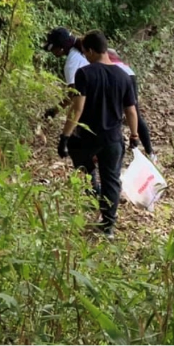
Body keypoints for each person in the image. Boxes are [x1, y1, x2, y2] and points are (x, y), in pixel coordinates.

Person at [57, 30, 139, 238]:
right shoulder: (123, 76)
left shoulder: (85, 73)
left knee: (84, 166)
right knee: (111, 179)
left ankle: (93, 193)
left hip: (87, 138)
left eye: (86, 53)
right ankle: (108, 226)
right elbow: (131, 110)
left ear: (92, 51)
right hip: (113, 139)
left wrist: (65, 136)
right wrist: (135, 136)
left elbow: (77, 108)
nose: (85, 57)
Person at [43, 27, 156, 161]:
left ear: (61, 48)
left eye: (53, 49)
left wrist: (56, 110)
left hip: (118, 77)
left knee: (131, 112)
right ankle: (145, 151)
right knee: (129, 112)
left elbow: (73, 95)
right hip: (125, 74)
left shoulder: (72, 62)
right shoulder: (83, 47)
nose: (53, 53)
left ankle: (149, 153)